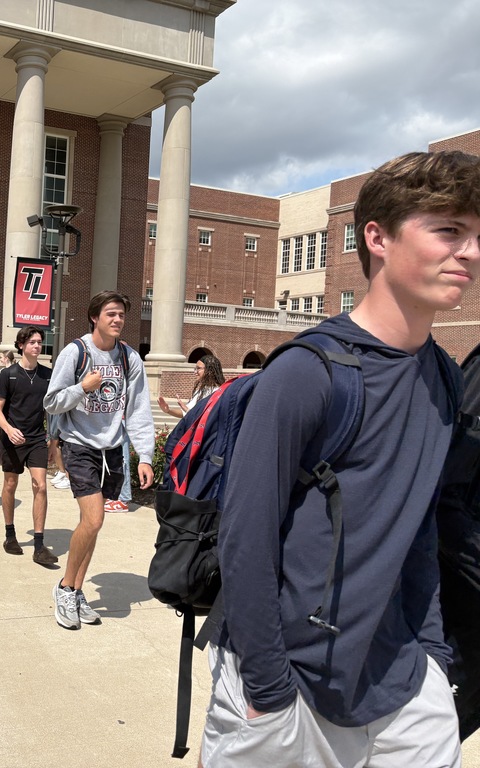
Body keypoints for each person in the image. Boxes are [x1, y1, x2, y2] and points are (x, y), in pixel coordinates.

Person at [199, 151, 480, 768]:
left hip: (400, 680)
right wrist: (268, 690)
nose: (471, 253)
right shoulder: (308, 373)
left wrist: (431, 653)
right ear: (377, 238)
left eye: (478, 235)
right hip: (284, 683)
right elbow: (245, 539)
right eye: (449, 230)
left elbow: (420, 530)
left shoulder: (443, 378)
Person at [44, 290, 155, 630]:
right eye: (111, 313)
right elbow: (52, 401)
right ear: (95, 317)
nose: (117, 319)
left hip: (112, 450)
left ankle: (77, 591)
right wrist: (83, 387)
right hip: (79, 445)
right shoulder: (75, 352)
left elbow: (138, 409)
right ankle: (64, 588)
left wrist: (145, 456)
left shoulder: (129, 358)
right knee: (92, 520)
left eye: (121, 314)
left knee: (96, 525)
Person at [0, 326, 58, 566]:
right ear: (21, 345)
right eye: (32, 342)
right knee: (10, 484)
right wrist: (9, 430)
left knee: (41, 486)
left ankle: (39, 546)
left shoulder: (48, 376)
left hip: (37, 439)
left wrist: (53, 440)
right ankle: (10, 535)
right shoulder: (8, 375)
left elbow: (52, 410)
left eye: (40, 342)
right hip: (13, 439)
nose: (37, 346)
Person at [158, 353, 225, 418]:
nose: (195, 372)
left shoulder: (218, 392)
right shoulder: (200, 391)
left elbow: (209, 418)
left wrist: (188, 411)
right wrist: (168, 410)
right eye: (195, 369)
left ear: (210, 371)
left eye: (198, 368)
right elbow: (185, 413)